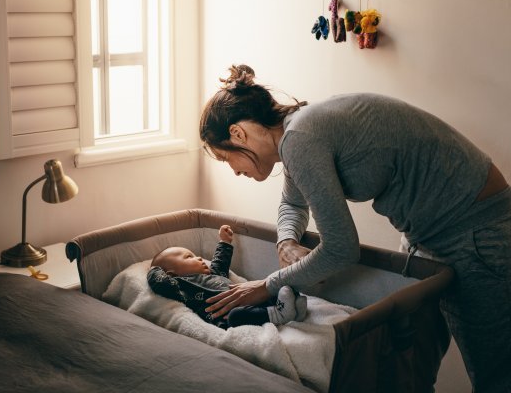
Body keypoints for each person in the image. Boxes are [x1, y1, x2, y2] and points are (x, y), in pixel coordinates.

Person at [199, 64, 510, 393]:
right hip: (427, 232)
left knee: (495, 375)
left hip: (473, 227)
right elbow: (292, 204)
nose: (233, 171)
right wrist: (286, 241)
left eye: (225, 159)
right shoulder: (296, 133)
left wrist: (269, 285)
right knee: (409, 365)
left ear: (237, 134)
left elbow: (342, 249)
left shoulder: (300, 139)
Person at [147, 224, 307, 329]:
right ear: (170, 274)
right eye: (189, 257)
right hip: (226, 316)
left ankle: (290, 311)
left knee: (269, 290)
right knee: (236, 316)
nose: (199, 258)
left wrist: (224, 241)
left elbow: (220, 263)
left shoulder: (213, 274)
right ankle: (279, 314)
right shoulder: (179, 286)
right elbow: (159, 283)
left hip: (248, 299)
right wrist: (154, 268)